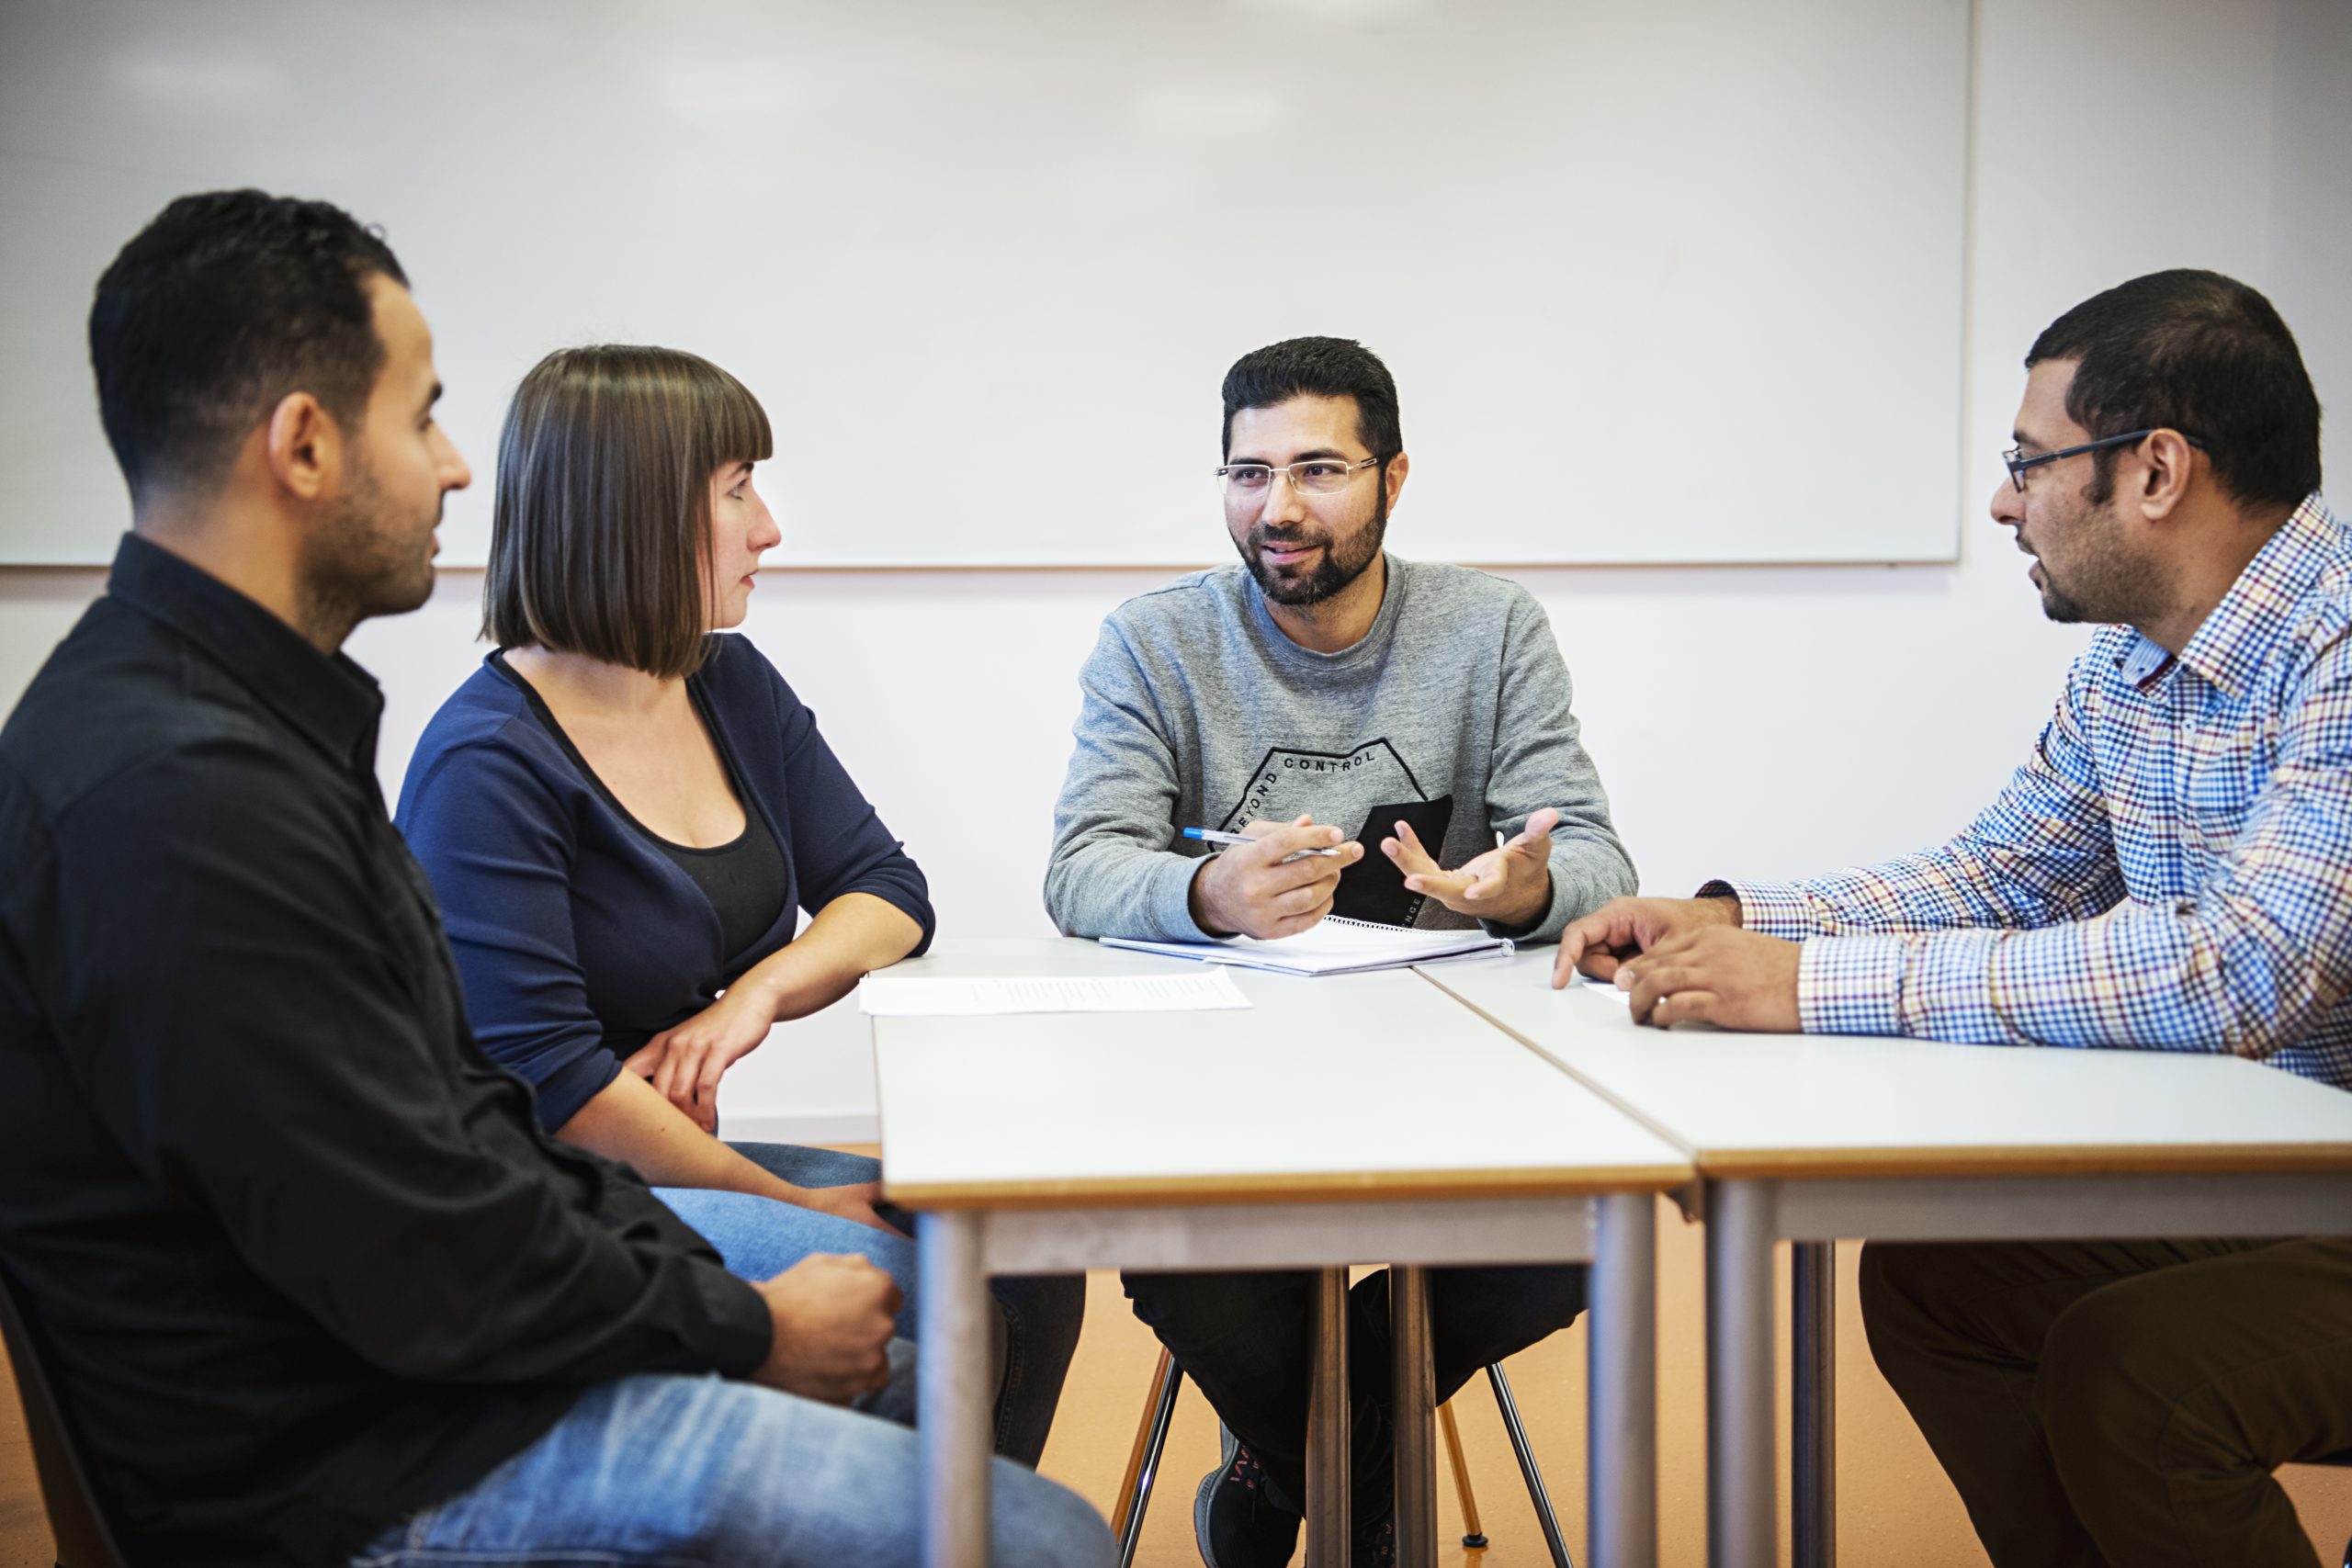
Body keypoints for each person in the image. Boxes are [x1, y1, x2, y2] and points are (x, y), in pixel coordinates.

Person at [0, 188, 1111, 1568]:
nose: (459, 469)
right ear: (301, 445)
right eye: (421, 418)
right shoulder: (175, 791)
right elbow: (426, 1230)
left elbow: (456, 1139)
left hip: (418, 1365)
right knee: (1038, 1528)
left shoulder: (240, 728)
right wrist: (749, 1316)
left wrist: (728, 1250)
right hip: (367, 1459)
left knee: (987, 1275)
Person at [1558, 269, 2352, 1568]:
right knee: (1940, 1280)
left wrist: (1806, 987)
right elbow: (2003, 873)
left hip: (2322, 1178)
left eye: (2030, 461)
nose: (2003, 500)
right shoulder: (2131, 659)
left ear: (2156, 470)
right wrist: (1730, 918)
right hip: (2278, 1164)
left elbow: (2241, 971)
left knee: (2137, 1370)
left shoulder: (2342, 646)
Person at [393, 343, 1083, 1465]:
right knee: (911, 1293)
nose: (767, 528)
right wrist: (790, 1205)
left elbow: (889, 895)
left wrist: (750, 998)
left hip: (655, 1156)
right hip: (541, 1200)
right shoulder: (487, 761)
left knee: (1021, 1264)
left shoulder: (725, 682)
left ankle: (973, 1534)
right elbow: (550, 1087)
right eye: (735, 491)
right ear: (632, 513)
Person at [1045, 335, 1634, 1565]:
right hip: (1216, 1082)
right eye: (1248, 472)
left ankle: (1283, 1461)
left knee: (1588, 1225)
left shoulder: (1489, 627)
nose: (1281, 507)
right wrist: (1207, 889)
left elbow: (1594, 863)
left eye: (1318, 468)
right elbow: (1081, 868)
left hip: (1452, 1069)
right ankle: (1367, 1487)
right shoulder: (1156, 640)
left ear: (1395, 476)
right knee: (1187, 1256)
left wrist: (1522, 889)